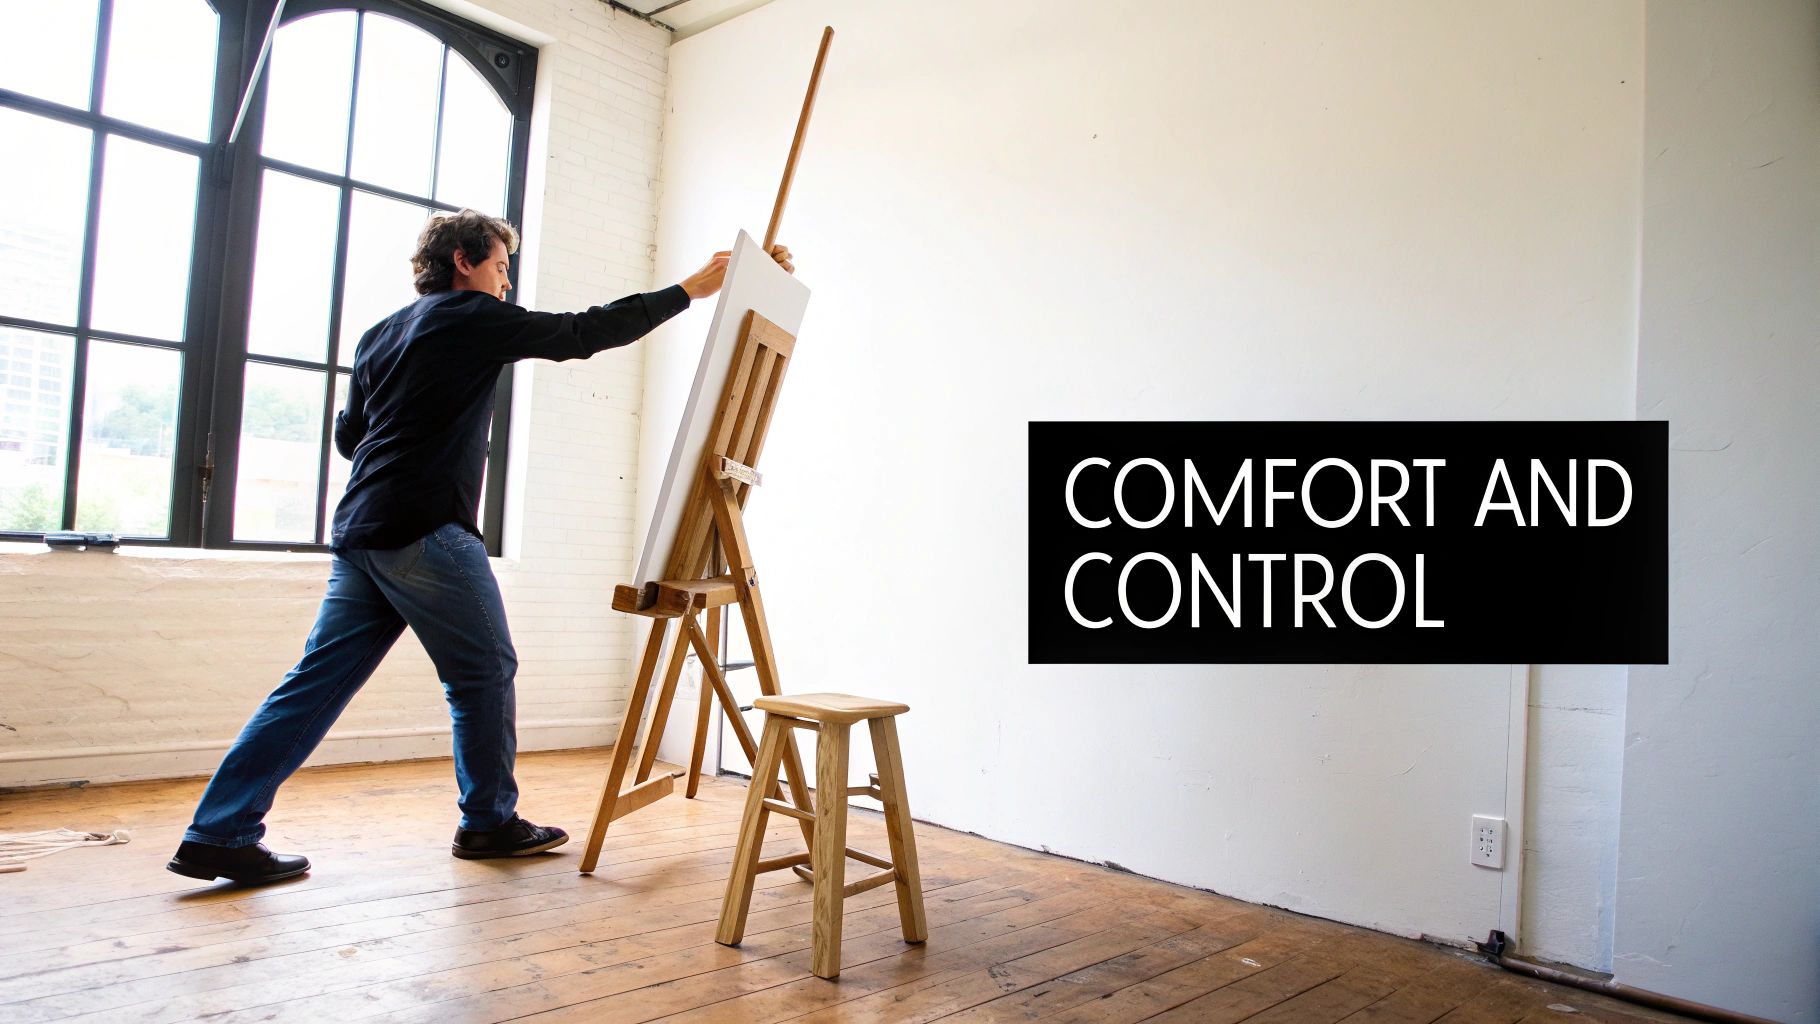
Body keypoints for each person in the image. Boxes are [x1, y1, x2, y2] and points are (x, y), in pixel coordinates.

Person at [167, 210, 794, 885]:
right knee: (485, 670)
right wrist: (690, 290)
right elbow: (579, 333)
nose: (505, 283)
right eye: (499, 267)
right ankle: (489, 821)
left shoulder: (382, 334)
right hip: (424, 528)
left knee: (314, 684)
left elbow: (351, 438)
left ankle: (218, 831)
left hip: (361, 531)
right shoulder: (470, 316)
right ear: (463, 262)